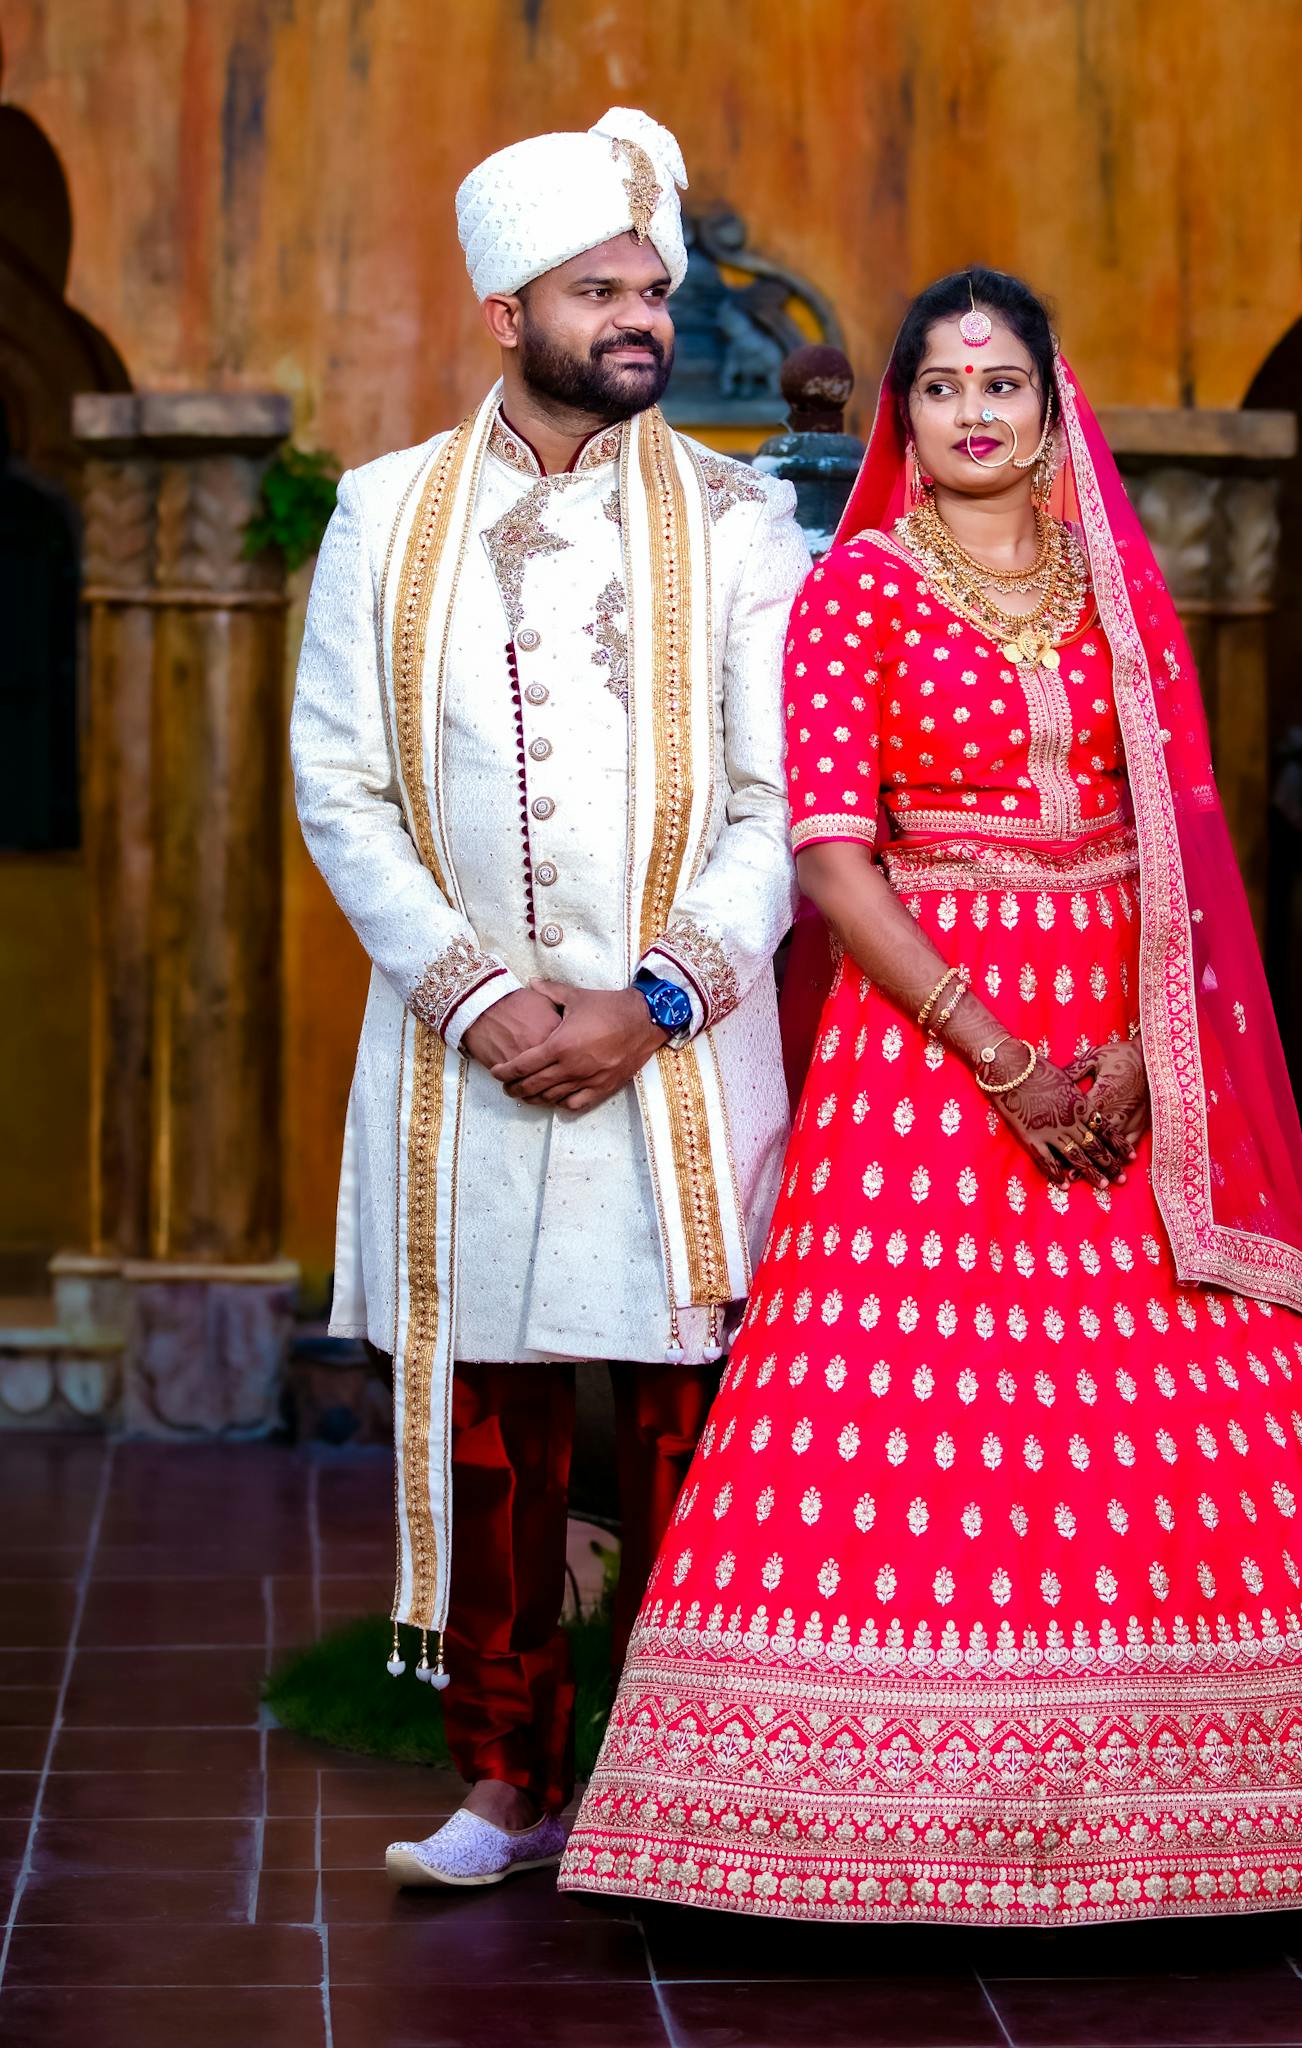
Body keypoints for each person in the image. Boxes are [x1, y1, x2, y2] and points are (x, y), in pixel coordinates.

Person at [559, 268, 1302, 1925]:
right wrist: (995, 1052)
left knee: (1188, 1394)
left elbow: (1174, 838)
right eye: (940, 386)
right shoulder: (852, 587)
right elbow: (833, 860)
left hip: (1125, 1030)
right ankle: (848, 1833)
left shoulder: (1108, 594)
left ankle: (1226, 1818)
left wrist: (1144, 1045)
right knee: (902, 1408)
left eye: (1002, 382)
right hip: (924, 1041)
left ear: (1050, 404)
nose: (975, 412)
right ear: (903, 417)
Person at [289, 108, 809, 1888]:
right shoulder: (383, 514)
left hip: (675, 1048)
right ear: (509, 310)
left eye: (653, 289)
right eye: (602, 291)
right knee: (494, 1426)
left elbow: (775, 806)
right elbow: (340, 782)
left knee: (686, 1426)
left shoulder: (748, 523)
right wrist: (480, 996)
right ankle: (501, 1779)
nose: (641, 318)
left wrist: (656, 999)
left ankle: (686, 1797)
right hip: (468, 1049)